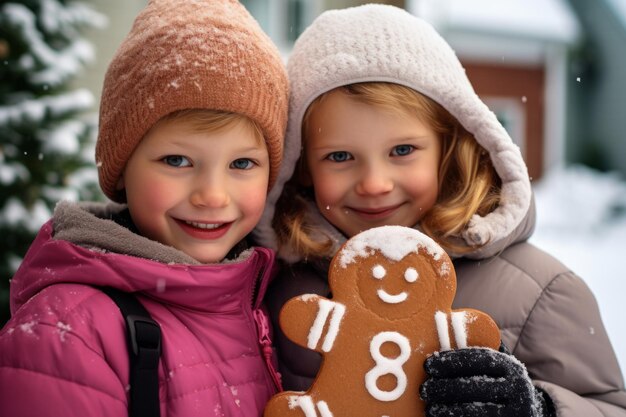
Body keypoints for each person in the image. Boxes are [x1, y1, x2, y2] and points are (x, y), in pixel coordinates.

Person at [252, 4, 626, 417]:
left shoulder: (540, 292)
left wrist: (541, 409)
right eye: (340, 156)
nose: (375, 183)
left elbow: (608, 406)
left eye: (403, 150)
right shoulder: (273, 283)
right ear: (301, 166)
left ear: (449, 149)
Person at [0, 1, 288, 416]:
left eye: (242, 164)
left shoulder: (269, 305)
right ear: (122, 168)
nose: (212, 195)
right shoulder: (67, 332)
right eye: (177, 161)